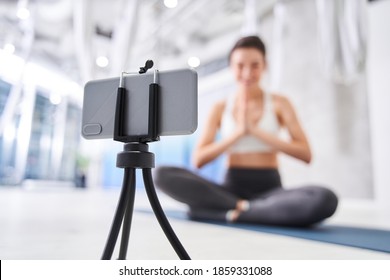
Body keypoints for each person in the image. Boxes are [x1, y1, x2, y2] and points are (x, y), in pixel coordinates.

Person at [154, 35, 338, 227]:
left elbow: (305, 154)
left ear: (264, 66)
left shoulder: (279, 103)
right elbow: (199, 160)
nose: (247, 73)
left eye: (255, 65)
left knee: (325, 198)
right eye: (240, 66)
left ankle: (227, 212)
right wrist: (238, 134)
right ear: (231, 68)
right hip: (229, 190)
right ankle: (244, 208)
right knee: (160, 174)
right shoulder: (220, 107)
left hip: (270, 191)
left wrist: (256, 131)